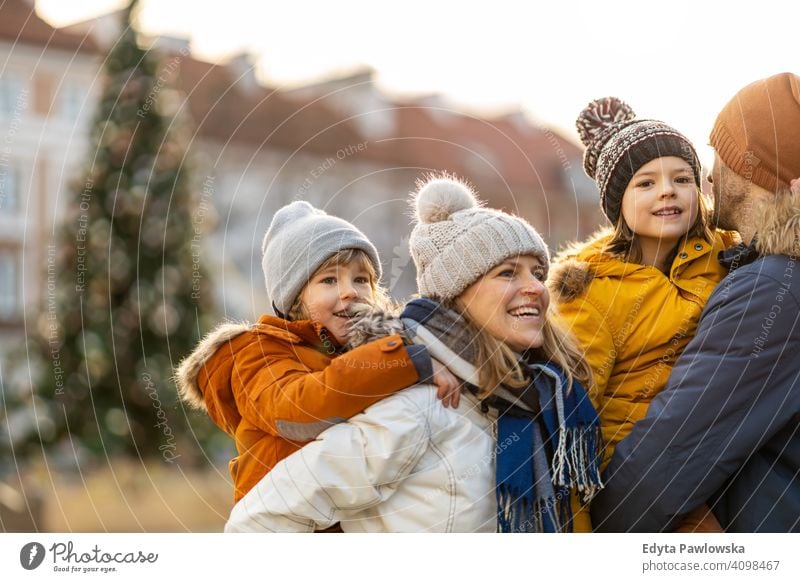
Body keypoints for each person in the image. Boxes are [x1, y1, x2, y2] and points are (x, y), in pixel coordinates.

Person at [224, 176, 603, 532]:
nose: (536, 287)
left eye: (538, 271)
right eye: (508, 272)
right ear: (458, 290)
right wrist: (412, 362)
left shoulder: (551, 397)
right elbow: (260, 518)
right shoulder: (419, 405)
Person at [591, 72, 800, 532]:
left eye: (719, 152)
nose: (710, 173)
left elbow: (664, 465)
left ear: (753, 166)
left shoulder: (774, 289)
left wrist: (592, 533)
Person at [176, 201, 459, 501]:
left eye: (361, 279)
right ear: (293, 298)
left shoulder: (362, 354)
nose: (350, 291)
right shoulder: (258, 352)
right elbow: (299, 410)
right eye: (329, 280)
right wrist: (405, 360)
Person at [550, 98, 738, 530]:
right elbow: (575, 419)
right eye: (646, 183)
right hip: (635, 472)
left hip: (712, 451)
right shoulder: (591, 289)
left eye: (682, 178)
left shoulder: (725, 252)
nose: (667, 190)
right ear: (619, 205)